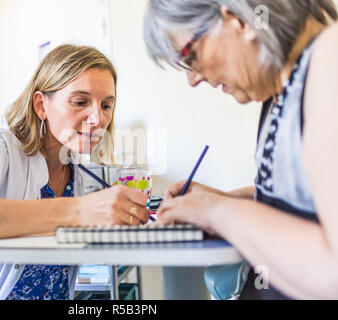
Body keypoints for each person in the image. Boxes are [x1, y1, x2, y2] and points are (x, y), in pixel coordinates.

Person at [0, 44, 150, 300]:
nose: (98, 119)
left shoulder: (80, 173)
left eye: (106, 105)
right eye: (80, 102)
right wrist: (77, 210)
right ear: (41, 105)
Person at [144, 0, 338, 299]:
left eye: (190, 56)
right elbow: (305, 201)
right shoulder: (278, 90)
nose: (193, 79)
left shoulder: (330, 59)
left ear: (239, 19)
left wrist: (217, 211)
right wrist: (216, 202)